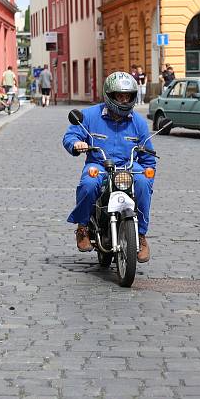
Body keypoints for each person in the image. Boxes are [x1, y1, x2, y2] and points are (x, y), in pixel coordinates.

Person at [62, 71, 156, 263]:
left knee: (143, 183)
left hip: (129, 167)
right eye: (119, 96)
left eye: (127, 96)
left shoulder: (138, 121)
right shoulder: (89, 115)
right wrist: (76, 144)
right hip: (100, 165)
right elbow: (70, 136)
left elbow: (148, 156)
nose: (123, 100)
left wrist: (149, 175)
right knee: (88, 182)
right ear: (110, 96)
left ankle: (140, 236)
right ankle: (82, 228)